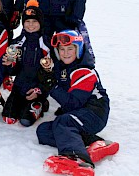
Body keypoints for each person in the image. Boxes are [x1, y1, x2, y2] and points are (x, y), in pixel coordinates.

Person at [36, 30, 119, 175]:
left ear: (78, 50)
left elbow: (73, 104)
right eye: (62, 49)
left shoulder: (84, 71)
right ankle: (95, 143)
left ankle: (78, 159)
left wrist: (52, 86)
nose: (66, 53)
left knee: (64, 121)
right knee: (44, 131)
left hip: (94, 112)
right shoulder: (63, 68)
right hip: (79, 112)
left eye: (70, 49)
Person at [0, 0, 51, 126]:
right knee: (8, 118)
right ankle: (21, 103)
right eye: (27, 21)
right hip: (19, 87)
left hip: (36, 89)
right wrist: (10, 64)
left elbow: (51, 74)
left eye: (34, 21)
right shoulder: (17, 43)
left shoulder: (47, 45)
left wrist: (39, 90)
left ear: (40, 23)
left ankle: (42, 103)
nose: (31, 25)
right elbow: (13, 71)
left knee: (25, 121)